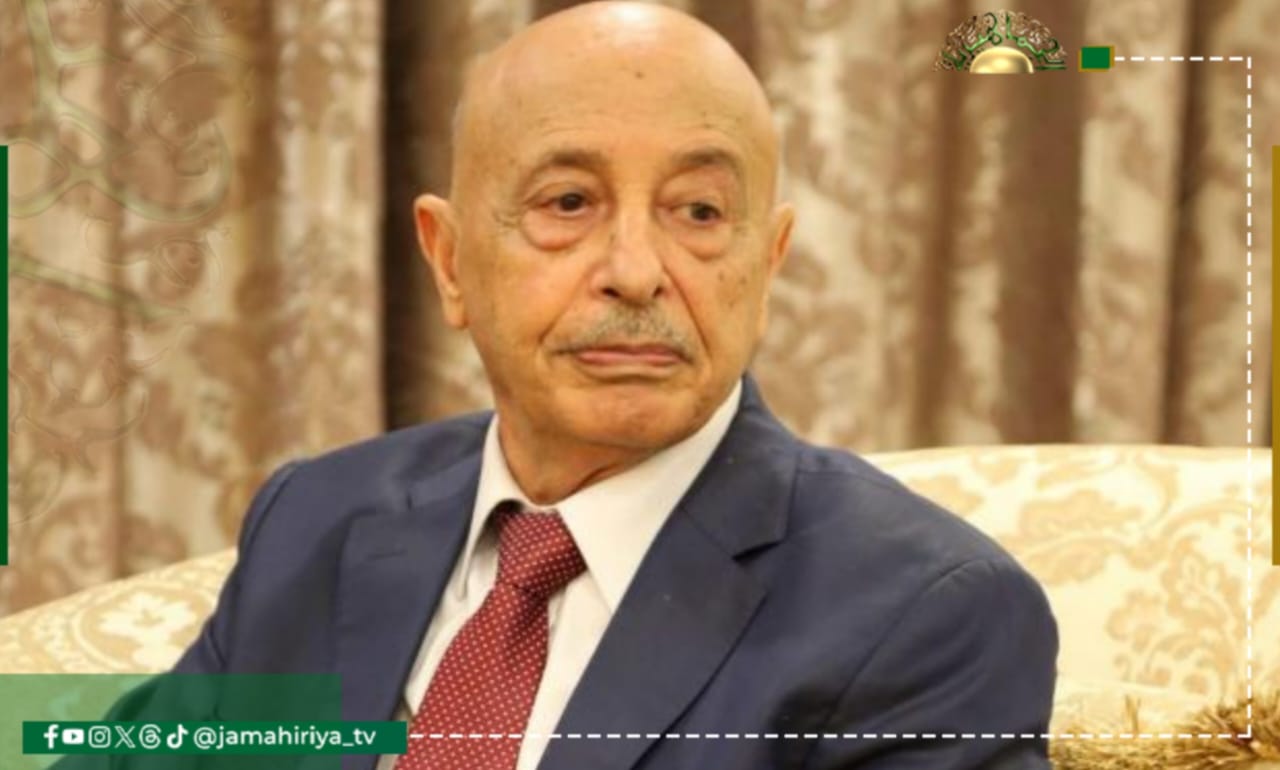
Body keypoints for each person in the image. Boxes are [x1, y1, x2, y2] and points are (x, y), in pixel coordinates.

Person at [173, 3, 1059, 769]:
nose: (636, 273)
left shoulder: (925, 615)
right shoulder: (315, 519)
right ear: (448, 261)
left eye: (699, 212)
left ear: (767, 263)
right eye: (568, 203)